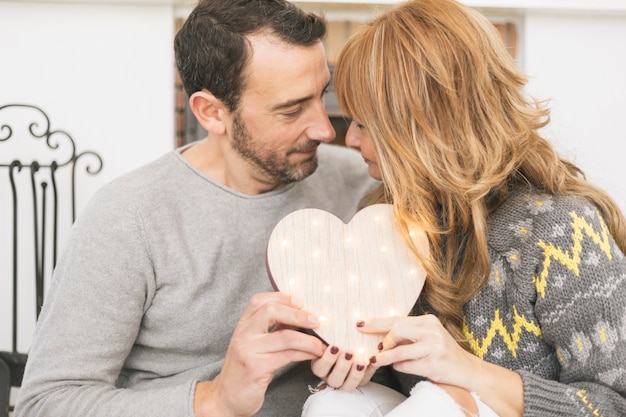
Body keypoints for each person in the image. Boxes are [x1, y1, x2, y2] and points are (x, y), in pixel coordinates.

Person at [14, 1, 378, 416]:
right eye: (291, 110)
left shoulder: (362, 184)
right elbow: (44, 404)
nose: (325, 129)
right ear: (212, 112)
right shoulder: (129, 217)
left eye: (322, 96)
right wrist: (214, 399)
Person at [303, 0, 626, 416]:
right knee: (335, 404)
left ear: (423, 128)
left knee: (437, 403)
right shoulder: (383, 221)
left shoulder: (560, 230)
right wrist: (355, 367)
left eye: (364, 124)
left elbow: (615, 405)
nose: (348, 141)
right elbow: (390, 385)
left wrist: (467, 373)